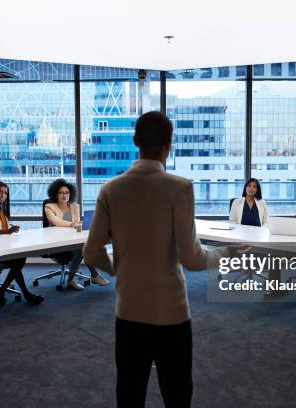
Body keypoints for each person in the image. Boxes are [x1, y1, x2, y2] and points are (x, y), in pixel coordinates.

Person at [83, 111, 228, 408]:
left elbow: (91, 252)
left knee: (130, 395)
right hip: (171, 314)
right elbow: (192, 258)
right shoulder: (180, 188)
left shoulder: (110, 189)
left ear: (135, 141)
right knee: (176, 396)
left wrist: (117, 270)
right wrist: (224, 254)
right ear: (169, 144)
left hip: (128, 313)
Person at [0, 181, 44, 305]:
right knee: (19, 261)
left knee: (18, 260)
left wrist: (11, 229)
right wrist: (6, 231)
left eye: (5, 193)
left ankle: (5, 290)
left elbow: (4, 226)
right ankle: (19, 293)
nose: (2, 195)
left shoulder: (2, 209)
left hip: (3, 247)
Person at [44, 178, 110, 290]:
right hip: (56, 241)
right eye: (61, 192)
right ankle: (91, 276)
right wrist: (72, 224)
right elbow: (56, 221)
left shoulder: (75, 207)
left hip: (71, 239)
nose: (64, 195)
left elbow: (77, 223)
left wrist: (84, 224)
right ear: (55, 194)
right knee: (81, 249)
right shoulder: (49, 207)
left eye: (67, 192)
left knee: (83, 248)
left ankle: (78, 279)